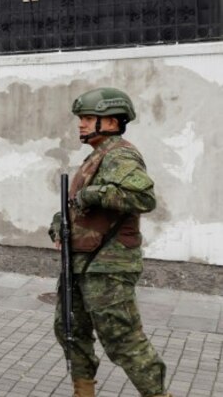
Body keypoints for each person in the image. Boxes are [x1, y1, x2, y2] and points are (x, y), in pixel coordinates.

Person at [49, 88, 171, 397]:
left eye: (89, 118)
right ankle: (83, 391)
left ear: (113, 122)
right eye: (81, 119)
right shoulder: (96, 156)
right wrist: (59, 222)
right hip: (82, 263)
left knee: (123, 340)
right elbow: (80, 208)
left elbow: (143, 197)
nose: (81, 125)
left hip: (109, 267)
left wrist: (93, 194)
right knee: (71, 331)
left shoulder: (120, 154)